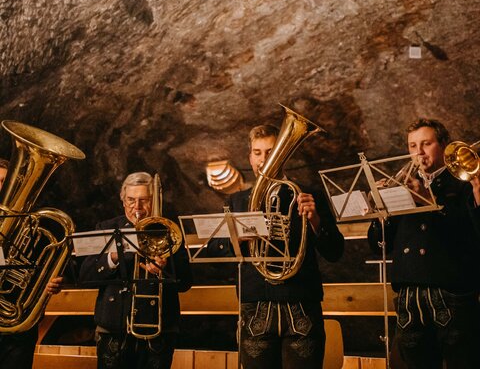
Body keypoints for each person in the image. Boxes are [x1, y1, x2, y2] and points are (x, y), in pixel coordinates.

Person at [208, 124, 344, 369]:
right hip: (255, 306)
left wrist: (315, 220)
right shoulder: (237, 201)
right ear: (250, 157)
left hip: (301, 303)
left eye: (270, 152)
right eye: (257, 152)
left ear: (284, 155)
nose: (263, 159)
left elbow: (335, 252)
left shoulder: (308, 195)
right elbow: (213, 247)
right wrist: (235, 239)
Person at [368, 118, 480, 369]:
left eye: (426, 144)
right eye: (412, 146)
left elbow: (471, 236)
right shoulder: (400, 183)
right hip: (409, 296)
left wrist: (427, 199)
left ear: (443, 146)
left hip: (452, 294)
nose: (418, 152)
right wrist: (380, 217)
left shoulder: (464, 183)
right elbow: (378, 246)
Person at [79, 171, 192, 369]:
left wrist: (162, 270)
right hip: (113, 328)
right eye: (131, 200)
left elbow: (186, 282)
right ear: (123, 201)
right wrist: (113, 256)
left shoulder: (168, 230)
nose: (137, 207)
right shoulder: (107, 228)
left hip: (159, 332)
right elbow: (85, 275)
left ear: (154, 201)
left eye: (144, 200)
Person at [0, 157, 64, 369]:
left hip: (19, 330)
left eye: (3, 182)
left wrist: (48, 286)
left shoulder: (34, 224)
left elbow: (45, 270)